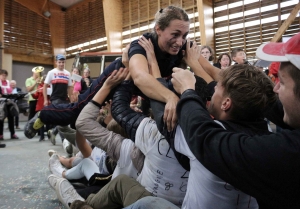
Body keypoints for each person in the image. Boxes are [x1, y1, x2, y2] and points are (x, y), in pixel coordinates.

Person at [170, 32, 300, 208]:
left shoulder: (287, 152)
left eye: (282, 82)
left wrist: (187, 91)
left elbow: (206, 139)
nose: (276, 89)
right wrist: (196, 63)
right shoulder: (267, 124)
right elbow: (258, 100)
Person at [24, 5, 195, 139]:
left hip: (143, 88)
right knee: (76, 111)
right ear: (158, 29)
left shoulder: (182, 47)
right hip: (118, 76)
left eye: (185, 35)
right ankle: (44, 115)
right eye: (175, 34)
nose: (180, 42)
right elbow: (140, 77)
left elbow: (214, 74)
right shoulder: (142, 44)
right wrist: (171, 97)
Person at [45, 54, 73, 145]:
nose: (61, 64)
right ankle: (64, 141)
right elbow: (45, 86)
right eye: (59, 62)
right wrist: (46, 99)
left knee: (64, 119)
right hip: (55, 99)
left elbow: (69, 87)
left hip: (65, 99)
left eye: (63, 62)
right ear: (56, 62)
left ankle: (53, 132)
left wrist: (71, 98)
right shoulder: (51, 73)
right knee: (61, 120)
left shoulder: (68, 73)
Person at [0, 69, 18, 140]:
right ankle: (0, 134)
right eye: (2, 75)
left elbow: (10, 91)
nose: (4, 76)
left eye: (5, 75)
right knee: (1, 119)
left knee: (11, 117)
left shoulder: (8, 82)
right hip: (1, 103)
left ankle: (12, 134)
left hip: (8, 101)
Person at [32, 75, 50, 141]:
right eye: (44, 79)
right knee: (40, 121)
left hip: (47, 105)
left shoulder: (49, 86)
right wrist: (32, 94)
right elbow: (36, 96)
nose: (44, 80)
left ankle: (49, 135)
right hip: (40, 106)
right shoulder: (39, 86)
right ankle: (42, 136)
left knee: (48, 122)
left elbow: (50, 95)